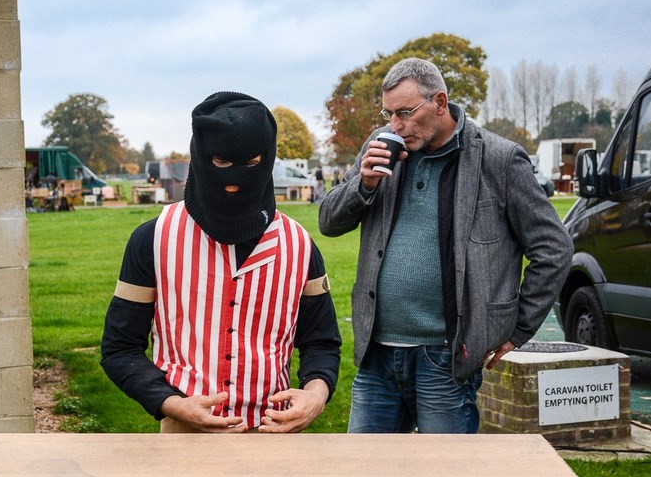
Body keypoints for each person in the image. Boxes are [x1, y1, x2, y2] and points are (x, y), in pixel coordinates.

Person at [319, 58, 572, 434]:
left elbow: (553, 248)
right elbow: (329, 222)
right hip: (377, 355)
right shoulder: (381, 147)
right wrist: (364, 185)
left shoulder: (498, 158)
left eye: (405, 112)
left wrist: (518, 330)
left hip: (446, 355)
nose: (395, 125)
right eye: (388, 113)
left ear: (439, 102)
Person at [102, 92, 342, 433]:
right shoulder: (153, 239)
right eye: (221, 162)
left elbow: (321, 341)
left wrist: (315, 395)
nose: (235, 179)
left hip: (273, 437)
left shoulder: (299, 245)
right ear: (201, 157)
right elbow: (120, 348)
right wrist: (174, 404)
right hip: (184, 438)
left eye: (250, 163)